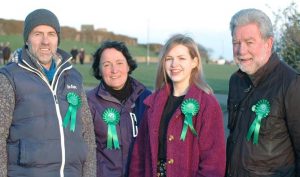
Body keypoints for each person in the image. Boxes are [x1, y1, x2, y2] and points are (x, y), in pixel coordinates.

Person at [0, 9, 96, 177]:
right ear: (27, 39)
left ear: (57, 39)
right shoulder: (9, 78)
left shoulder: (73, 77)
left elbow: (87, 135)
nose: (45, 41)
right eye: (38, 33)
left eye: (51, 34)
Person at [129, 34, 226, 177]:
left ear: (194, 62)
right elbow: (139, 153)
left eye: (181, 58)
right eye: (169, 59)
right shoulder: (153, 102)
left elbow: (213, 163)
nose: (174, 64)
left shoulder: (207, 104)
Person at [226, 8, 300, 176]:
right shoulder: (236, 81)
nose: (241, 50)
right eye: (236, 42)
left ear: (269, 43)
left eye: (249, 42)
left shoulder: (292, 84)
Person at [87, 40, 151, 177]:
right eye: (106, 64)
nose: (114, 70)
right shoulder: (88, 102)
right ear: (98, 69)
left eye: (119, 63)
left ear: (128, 65)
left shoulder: (147, 99)